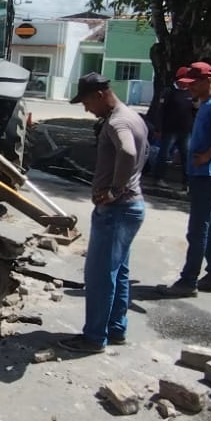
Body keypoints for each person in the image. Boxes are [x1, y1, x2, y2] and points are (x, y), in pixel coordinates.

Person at [57, 72, 149, 355]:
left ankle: (94, 338)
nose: (86, 109)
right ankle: (115, 329)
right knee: (118, 271)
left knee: (98, 276)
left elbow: (128, 151)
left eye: (86, 102)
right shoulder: (134, 116)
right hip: (132, 207)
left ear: (99, 95)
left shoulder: (117, 121)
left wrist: (113, 191)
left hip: (117, 210)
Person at [162, 61, 211, 297]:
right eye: (188, 84)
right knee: (207, 227)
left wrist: (207, 155)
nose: (190, 88)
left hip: (208, 176)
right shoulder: (207, 104)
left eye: (194, 84)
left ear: (208, 81)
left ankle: (188, 281)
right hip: (202, 174)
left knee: (197, 231)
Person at [154, 70, 196, 184]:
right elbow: (160, 111)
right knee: (164, 153)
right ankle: (159, 178)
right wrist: (158, 128)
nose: (186, 84)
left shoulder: (190, 93)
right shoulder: (169, 92)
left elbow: (193, 111)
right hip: (170, 130)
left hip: (185, 131)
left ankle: (187, 182)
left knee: (186, 156)